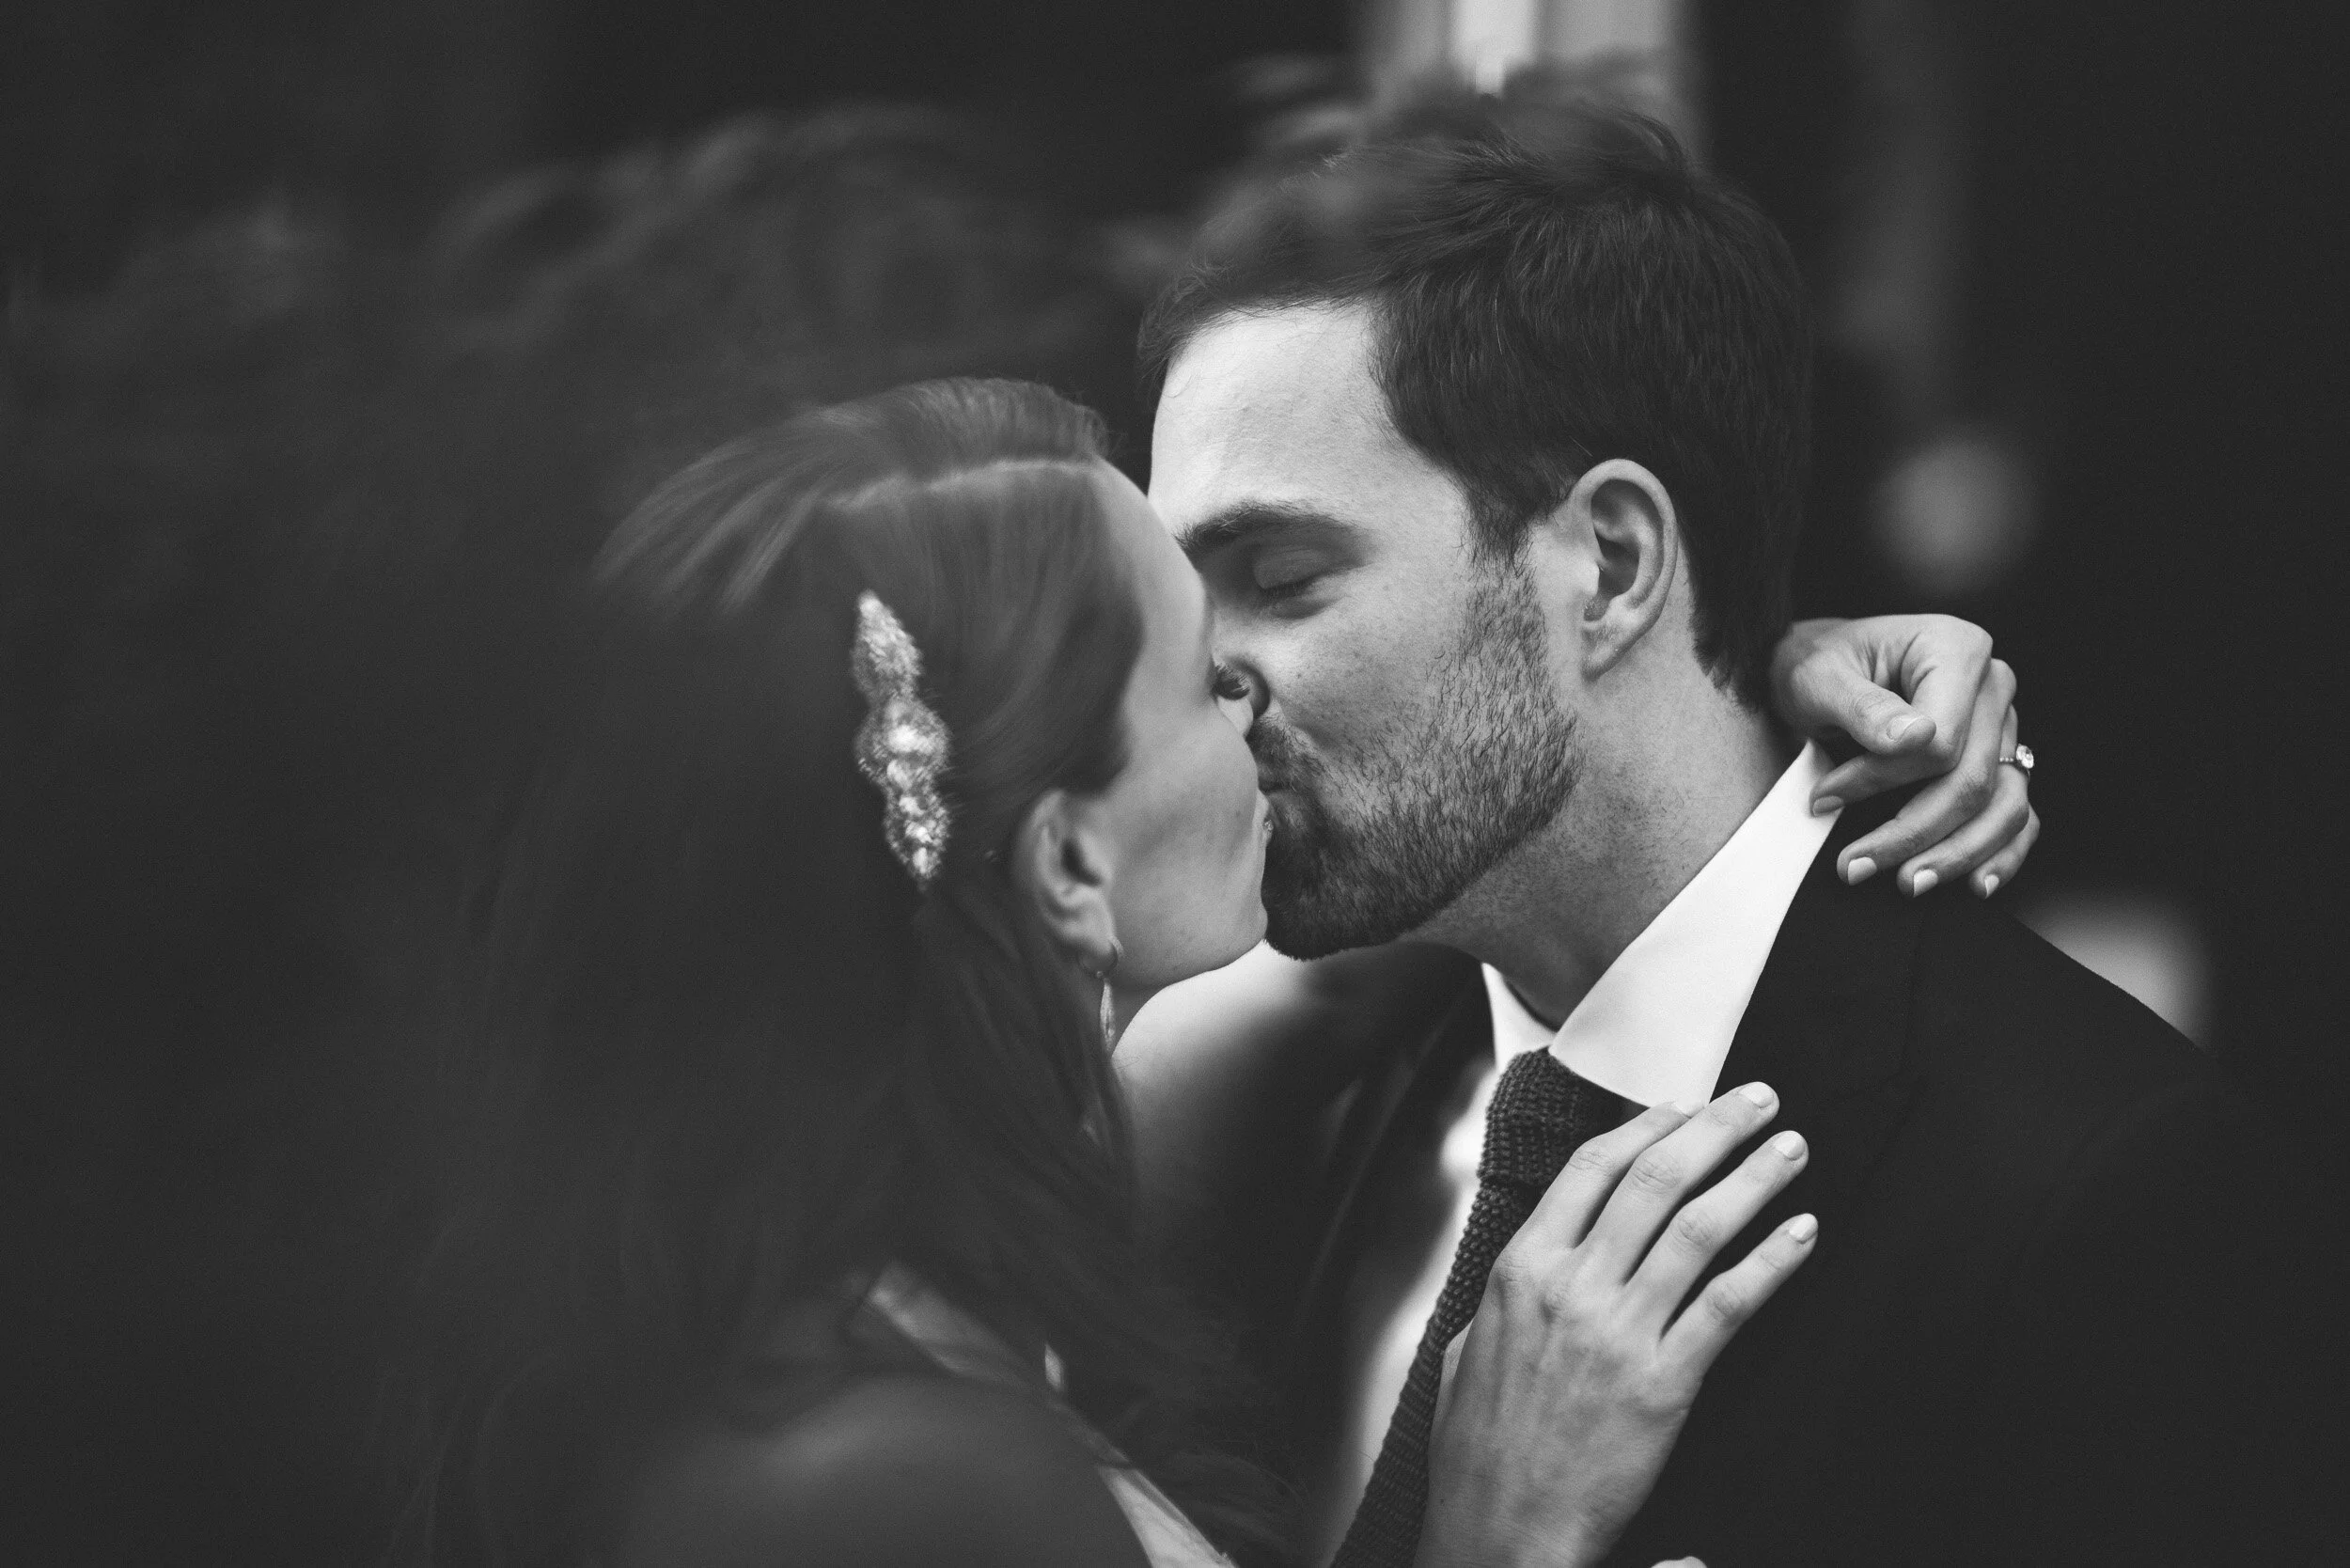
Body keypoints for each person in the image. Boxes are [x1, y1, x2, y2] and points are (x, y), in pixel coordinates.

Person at [400, 376, 2035, 1567]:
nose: (1255, 690)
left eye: (1277, 591)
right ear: (1068, 868)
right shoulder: (894, 1492)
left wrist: (1743, 682)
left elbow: (1475, 847)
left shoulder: (955, 1214)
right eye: (1200, 666)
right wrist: (1497, 1541)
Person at [1134, 84, 2317, 1566]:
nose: (1202, 668)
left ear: (1614, 564)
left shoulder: (2104, 1207)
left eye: (1282, 578)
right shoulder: (1265, 1104)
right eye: (1183, 593)